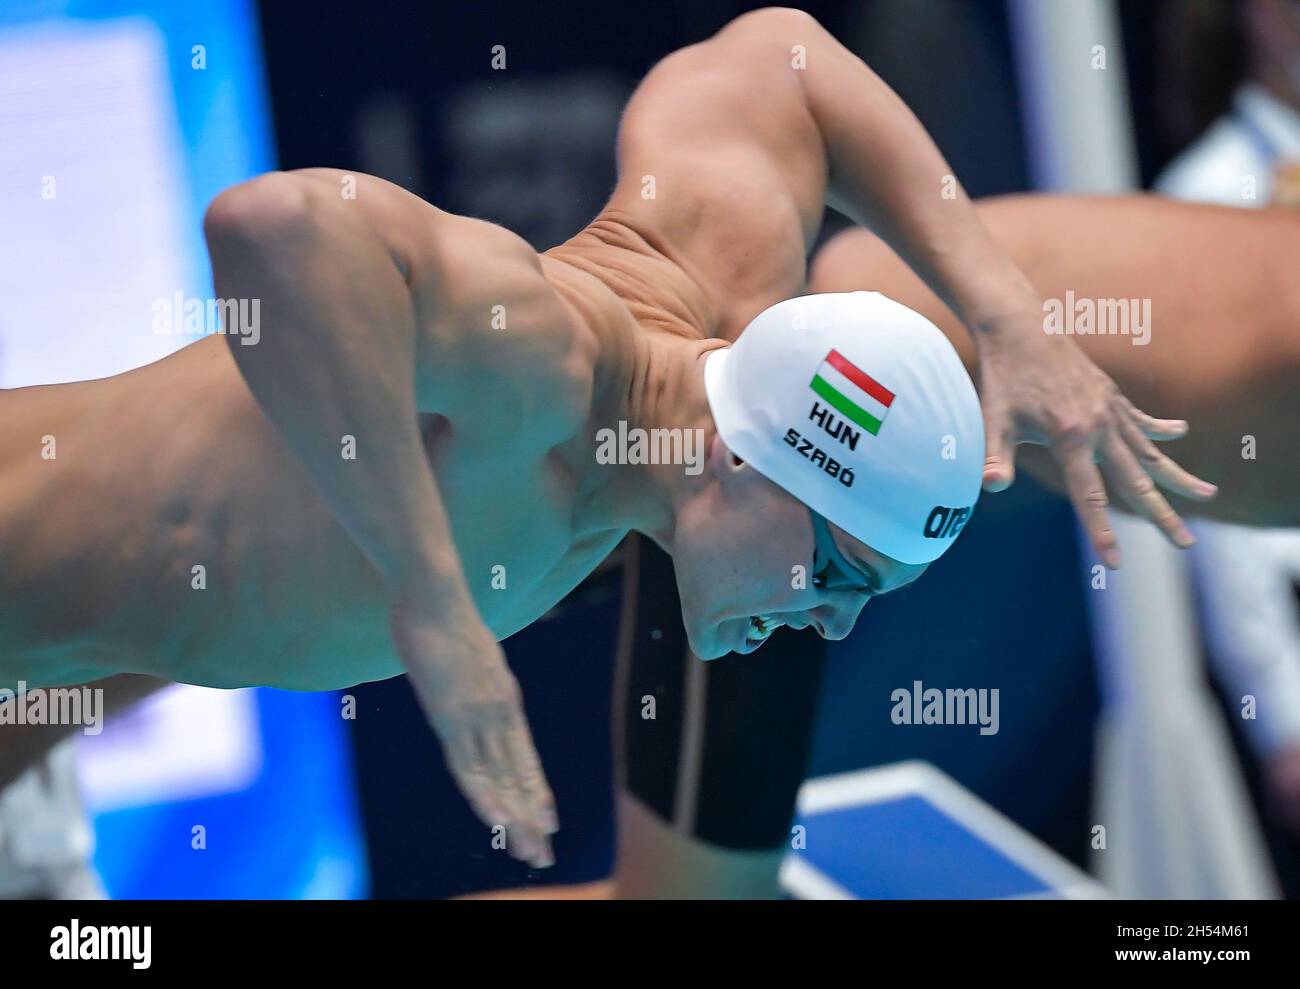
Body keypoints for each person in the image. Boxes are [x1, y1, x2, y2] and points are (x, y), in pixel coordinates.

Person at [0, 8, 1251, 874]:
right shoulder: (544, 360)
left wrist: (1006, 313)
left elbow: (787, 61)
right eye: (839, 572)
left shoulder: (720, 294)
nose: (829, 621)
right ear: (744, 459)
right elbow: (270, 227)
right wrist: (433, 607)